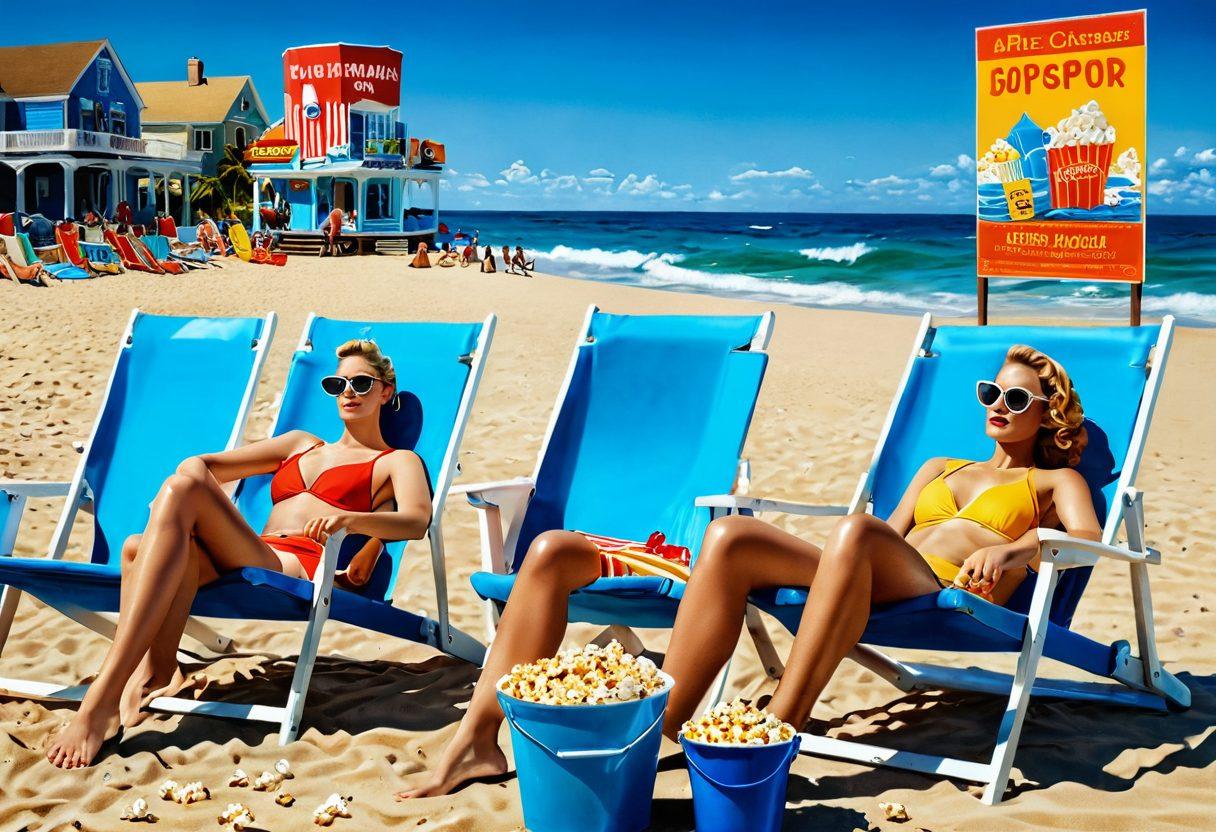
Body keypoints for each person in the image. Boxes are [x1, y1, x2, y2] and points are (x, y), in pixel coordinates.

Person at [398, 344, 1100, 798]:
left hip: (946, 589)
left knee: (854, 532)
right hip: (881, 565)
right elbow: (886, 536)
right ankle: (664, 722)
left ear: (1048, 416)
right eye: (989, 392)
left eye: (1016, 400)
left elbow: (1088, 540)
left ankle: (777, 731)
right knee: (730, 537)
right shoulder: (941, 467)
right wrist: (850, 559)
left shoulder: (1055, 481)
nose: (997, 407)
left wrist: (1015, 550)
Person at [45, 341, 433, 769]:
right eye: (336, 384)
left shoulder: (397, 461)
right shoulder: (300, 444)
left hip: (292, 566)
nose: (348, 392)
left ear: (385, 391)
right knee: (141, 539)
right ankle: (159, 664)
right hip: (255, 549)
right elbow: (204, 465)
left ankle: (103, 698)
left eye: (361, 383)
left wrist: (351, 520)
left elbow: (417, 521)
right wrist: (176, 508)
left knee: (181, 491)